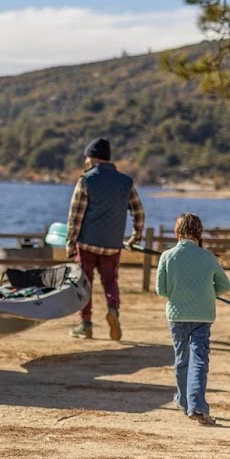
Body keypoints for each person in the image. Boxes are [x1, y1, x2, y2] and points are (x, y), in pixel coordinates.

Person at [65, 137, 145, 340]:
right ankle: (113, 310)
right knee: (110, 281)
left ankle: (86, 324)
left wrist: (70, 243)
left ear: (92, 159)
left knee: (84, 283)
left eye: (86, 158)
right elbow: (138, 212)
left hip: (87, 243)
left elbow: (75, 216)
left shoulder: (86, 180)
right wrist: (136, 236)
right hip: (112, 245)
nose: (85, 162)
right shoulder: (125, 182)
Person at [155, 212, 230, 426]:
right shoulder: (207, 257)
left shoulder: (167, 256)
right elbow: (225, 286)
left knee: (182, 358)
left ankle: (183, 400)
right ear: (199, 233)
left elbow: (161, 290)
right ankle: (196, 405)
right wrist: (208, 291)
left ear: (177, 232)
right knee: (199, 359)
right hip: (202, 315)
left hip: (177, 315)